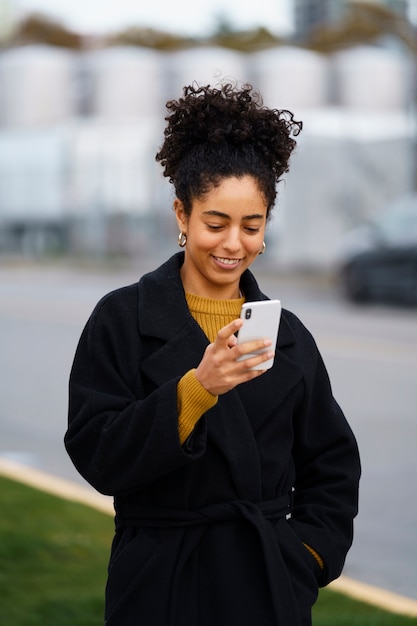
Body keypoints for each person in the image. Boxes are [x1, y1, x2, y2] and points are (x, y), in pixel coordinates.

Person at [65, 82, 360, 626]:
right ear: (182, 214)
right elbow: (97, 453)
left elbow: (333, 463)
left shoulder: (289, 335)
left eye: (252, 225)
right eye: (216, 223)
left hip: (267, 587)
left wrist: (305, 557)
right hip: (158, 585)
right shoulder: (121, 319)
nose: (233, 244)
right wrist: (197, 389)